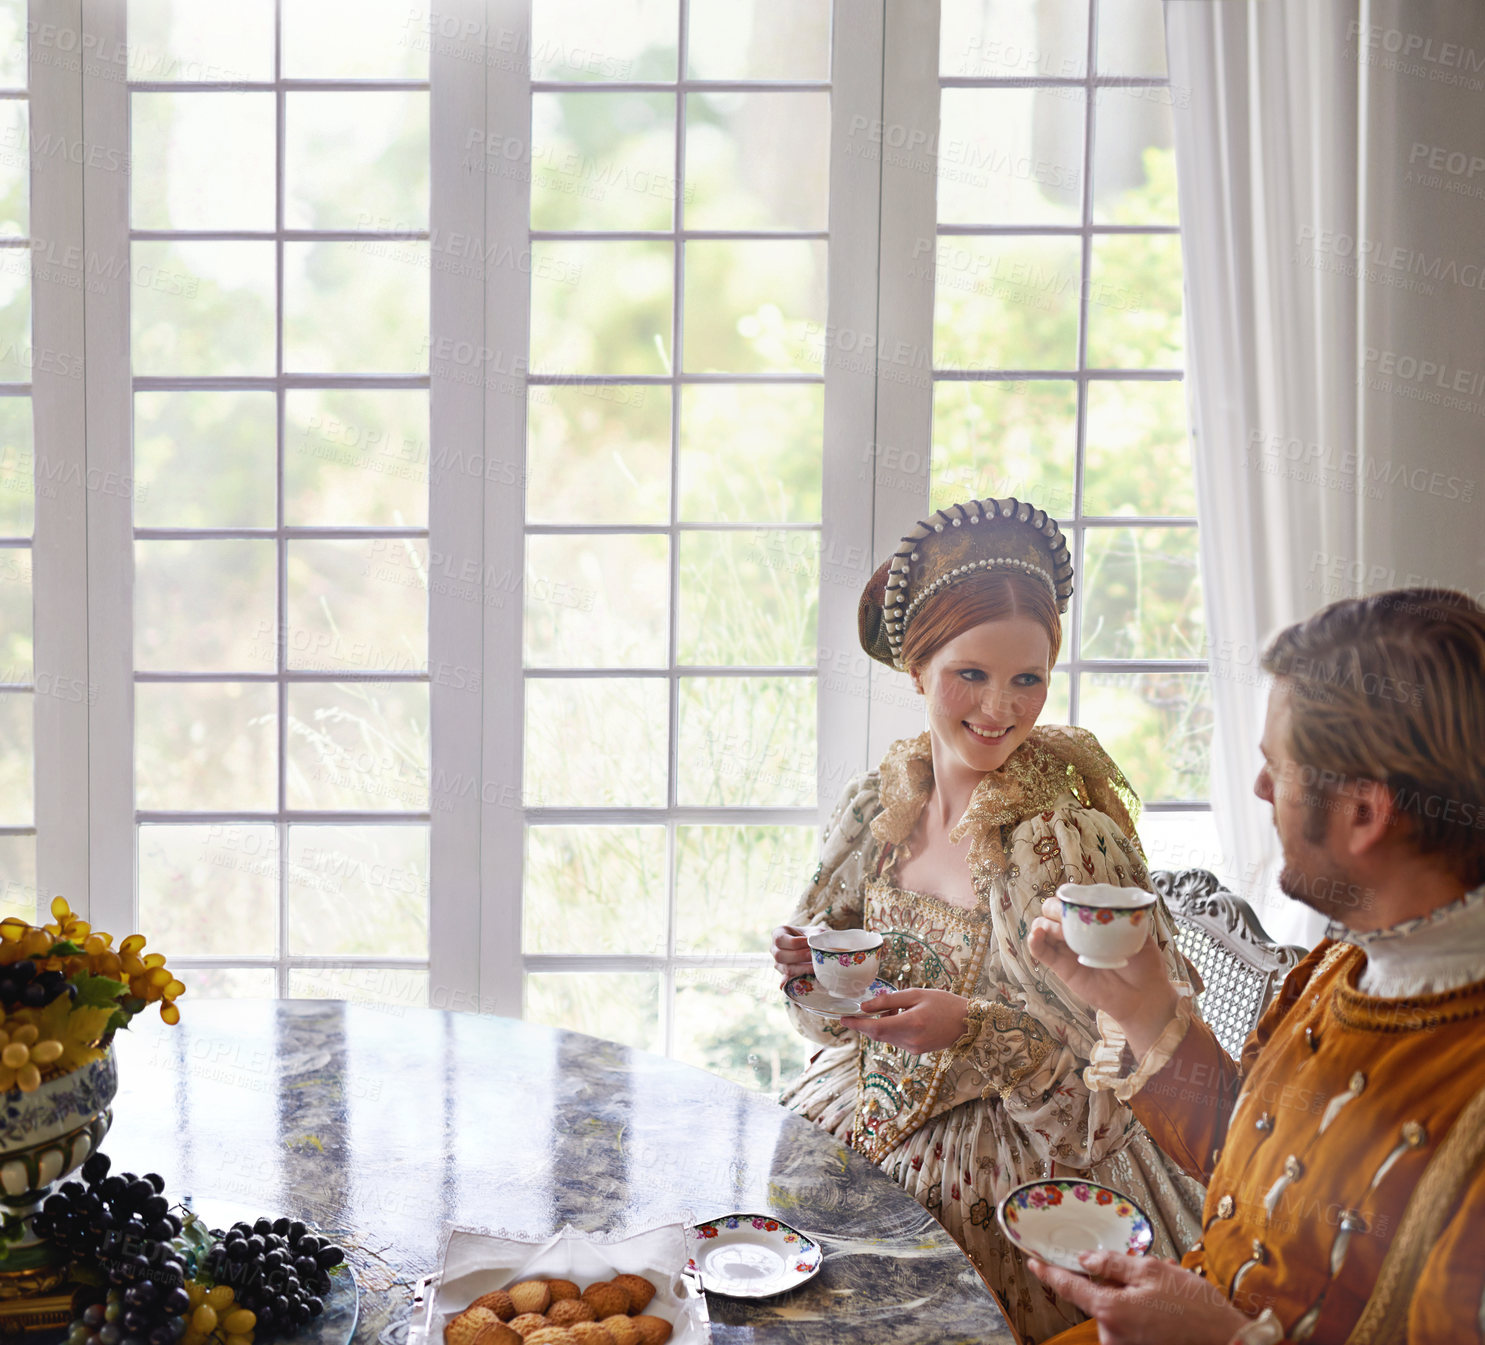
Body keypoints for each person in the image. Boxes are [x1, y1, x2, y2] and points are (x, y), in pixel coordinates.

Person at [772, 497, 1206, 1344]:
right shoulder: (877, 809)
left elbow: (1122, 1092)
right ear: (915, 668)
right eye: (970, 674)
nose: (1000, 709)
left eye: (1027, 678)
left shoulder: (1061, 845)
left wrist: (974, 1030)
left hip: (1018, 1181)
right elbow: (824, 1023)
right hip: (861, 1126)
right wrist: (805, 969)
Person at [1026, 588, 1485, 1345]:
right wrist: (1142, 1009)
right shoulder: (1341, 960)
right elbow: (1259, 1165)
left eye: (1281, 766)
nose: (1260, 789)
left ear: (1364, 812)